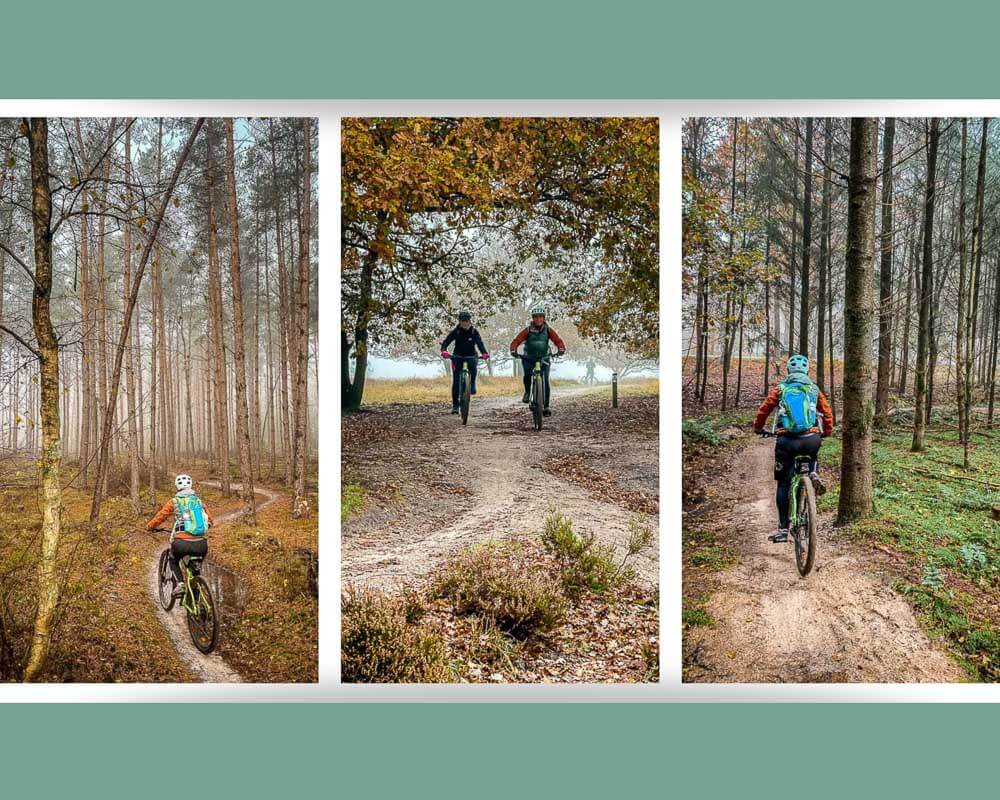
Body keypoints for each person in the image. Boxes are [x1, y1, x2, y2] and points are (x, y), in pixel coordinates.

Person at [753, 354, 834, 543]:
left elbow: (764, 410)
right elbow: (827, 413)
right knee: (812, 455)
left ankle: (782, 528)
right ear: (806, 371)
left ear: (789, 370)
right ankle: (813, 473)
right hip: (811, 439)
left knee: (783, 484)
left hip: (787, 442)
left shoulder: (780, 389)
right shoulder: (814, 389)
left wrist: (758, 428)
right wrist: (827, 431)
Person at [147, 474, 215, 595]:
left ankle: (180, 584)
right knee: (195, 569)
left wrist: (150, 526)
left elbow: (161, 516)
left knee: (173, 560)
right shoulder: (199, 501)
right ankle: (198, 594)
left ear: (177, 486)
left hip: (181, 544)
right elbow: (210, 521)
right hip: (202, 545)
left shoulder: (174, 502)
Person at [509, 306, 566, 416]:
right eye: (536, 317)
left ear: (544, 318)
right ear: (533, 319)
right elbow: (516, 340)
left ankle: (546, 406)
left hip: (544, 358)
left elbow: (557, 340)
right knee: (527, 375)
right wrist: (513, 350)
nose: (538, 319)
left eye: (540, 317)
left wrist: (561, 348)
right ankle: (527, 392)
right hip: (529, 358)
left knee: (545, 381)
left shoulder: (548, 330)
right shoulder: (528, 330)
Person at [440, 311, 489, 414]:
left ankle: (472, 386)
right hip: (458, 356)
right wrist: (444, 350)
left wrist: (484, 353)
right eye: (462, 321)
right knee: (456, 382)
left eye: (466, 321)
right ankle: (455, 406)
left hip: (471, 355)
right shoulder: (456, 331)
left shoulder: (474, 332)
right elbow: (446, 341)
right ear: (460, 322)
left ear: (470, 321)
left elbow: (480, 343)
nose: (465, 323)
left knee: (473, 368)